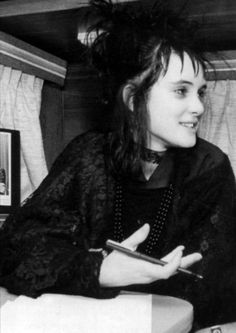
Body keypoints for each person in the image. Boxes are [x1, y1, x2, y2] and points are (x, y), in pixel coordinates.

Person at [0, 0, 236, 331]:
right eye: (182, 91)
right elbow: (15, 248)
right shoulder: (88, 154)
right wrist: (99, 269)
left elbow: (217, 293)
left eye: (201, 92)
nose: (198, 106)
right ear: (132, 97)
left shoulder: (210, 168)